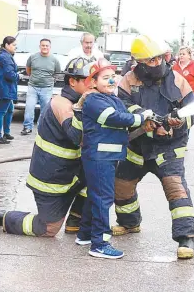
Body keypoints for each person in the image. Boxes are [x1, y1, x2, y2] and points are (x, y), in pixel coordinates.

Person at [0, 57, 93, 236]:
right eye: (89, 80)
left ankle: (75, 220)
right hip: (52, 178)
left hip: (72, 173)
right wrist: (80, 108)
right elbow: (76, 135)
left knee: (99, 177)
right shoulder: (62, 104)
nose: (93, 84)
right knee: (48, 229)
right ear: (72, 81)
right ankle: (5, 218)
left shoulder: (87, 101)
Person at [112, 35, 194, 259]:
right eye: (151, 60)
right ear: (139, 62)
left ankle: (186, 237)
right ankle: (129, 223)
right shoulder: (128, 80)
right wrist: (145, 120)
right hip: (137, 145)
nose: (157, 63)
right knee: (122, 185)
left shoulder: (178, 80)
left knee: (175, 189)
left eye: (159, 58)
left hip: (168, 148)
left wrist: (176, 124)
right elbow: (123, 106)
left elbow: (193, 111)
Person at [75, 58, 153, 259]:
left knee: (96, 195)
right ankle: (99, 243)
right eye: (105, 78)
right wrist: (141, 118)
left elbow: (126, 112)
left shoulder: (113, 98)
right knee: (103, 198)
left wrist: (146, 118)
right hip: (99, 157)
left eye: (113, 77)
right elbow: (116, 119)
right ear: (93, 82)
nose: (111, 81)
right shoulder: (94, 100)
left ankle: (85, 234)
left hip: (107, 156)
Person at [21, 38, 61, 135]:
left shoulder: (54, 60)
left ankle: (42, 128)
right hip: (33, 87)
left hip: (47, 88)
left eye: (47, 46)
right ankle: (27, 127)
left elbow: (57, 73)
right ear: (40, 46)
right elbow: (28, 69)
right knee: (29, 107)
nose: (45, 47)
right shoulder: (33, 57)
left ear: (50, 47)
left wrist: (50, 81)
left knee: (45, 110)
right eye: (43, 45)